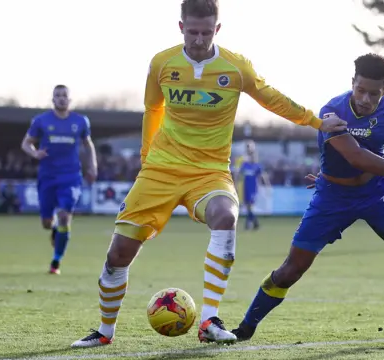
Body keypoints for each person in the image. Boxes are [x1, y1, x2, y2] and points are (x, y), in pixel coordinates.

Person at [70, 0, 346, 348]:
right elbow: (153, 108)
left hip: (210, 171)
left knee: (226, 215)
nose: (199, 39)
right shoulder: (162, 63)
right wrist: (145, 157)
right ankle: (105, 332)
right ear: (181, 26)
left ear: (217, 29)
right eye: (192, 31)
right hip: (161, 169)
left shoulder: (235, 66)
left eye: (206, 32)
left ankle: (210, 320)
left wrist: (317, 122)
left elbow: (270, 97)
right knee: (118, 254)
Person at [231, 53, 384, 342]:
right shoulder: (331, 112)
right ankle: (245, 328)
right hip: (333, 196)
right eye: (360, 90)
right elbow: (356, 156)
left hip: (376, 189)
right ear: (352, 83)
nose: (366, 99)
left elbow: (370, 147)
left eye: (374, 93)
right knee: (291, 270)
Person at [21, 85, 97, 275]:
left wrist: (93, 166)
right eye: (58, 95)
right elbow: (26, 143)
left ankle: (56, 262)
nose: (61, 98)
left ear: (69, 100)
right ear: (53, 99)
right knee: (47, 223)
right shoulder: (41, 121)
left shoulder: (80, 121)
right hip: (47, 176)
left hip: (70, 176)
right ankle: (54, 228)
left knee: (65, 215)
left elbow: (89, 145)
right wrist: (35, 153)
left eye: (65, 96)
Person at [237, 140, 270, 230]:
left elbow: (263, 176)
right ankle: (255, 223)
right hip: (245, 188)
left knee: (250, 206)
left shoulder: (257, 166)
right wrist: (236, 183)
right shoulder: (245, 165)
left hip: (253, 188)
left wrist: (267, 185)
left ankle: (249, 223)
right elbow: (240, 174)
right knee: (247, 206)